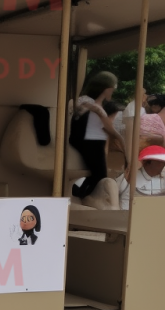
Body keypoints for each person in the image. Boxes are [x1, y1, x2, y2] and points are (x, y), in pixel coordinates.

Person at [71, 71, 124, 199]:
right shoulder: (87, 101)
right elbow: (77, 112)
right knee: (100, 177)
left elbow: (106, 126)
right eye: (112, 88)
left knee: (98, 176)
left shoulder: (100, 105)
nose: (113, 91)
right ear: (105, 89)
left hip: (97, 142)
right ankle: (82, 194)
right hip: (89, 142)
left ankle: (81, 193)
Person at [116, 144, 165, 209]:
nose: (163, 165)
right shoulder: (129, 176)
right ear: (149, 162)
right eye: (160, 162)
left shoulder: (162, 180)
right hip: (128, 216)